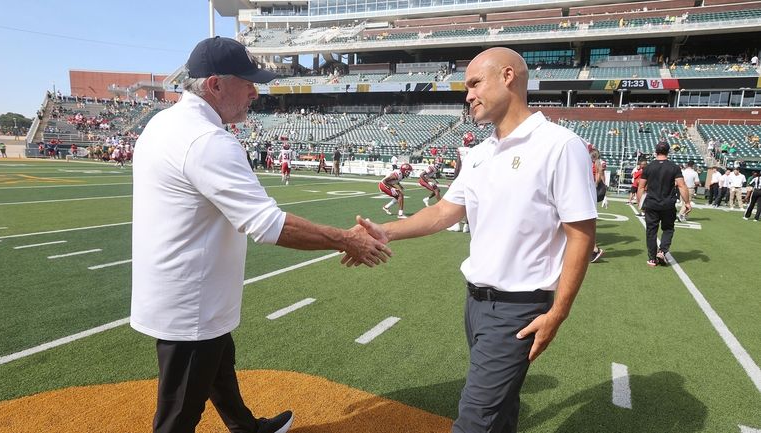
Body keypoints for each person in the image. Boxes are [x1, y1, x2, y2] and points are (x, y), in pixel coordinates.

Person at [131, 36, 390, 433]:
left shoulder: (166, 122)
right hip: (191, 302)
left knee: (220, 368)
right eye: (247, 81)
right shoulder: (207, 140)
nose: (256, 90)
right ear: (215, 84)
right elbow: (269, 225)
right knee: (177, 416)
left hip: (184, 289)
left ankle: (246, 428)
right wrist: (346, 238)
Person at [348, 47, 597, 433]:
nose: (468, 96)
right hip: (475, 303)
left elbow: (580, 234)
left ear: (509, 77)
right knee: (500, 413)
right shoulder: (480, 153)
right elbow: (445, 211)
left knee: (474, 420)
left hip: (518, 308)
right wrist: (385, 230)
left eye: (475, 83)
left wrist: (559, 312)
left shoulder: (559, 145)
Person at [636, 142, 691, 267]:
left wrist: (640, 204)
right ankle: (662, 251)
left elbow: (641, 187)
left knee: (651, 231)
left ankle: (652, 259)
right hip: (668, 204)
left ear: (656, 151)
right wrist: (687, 202)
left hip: (651, 203)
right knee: (668, 228)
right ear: (668, 152)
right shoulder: (674, 167)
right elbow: (682, 185)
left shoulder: (649, 167)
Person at [589, 148, 606, 262]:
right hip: (591, 193)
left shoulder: (596, 164)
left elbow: (599, 176)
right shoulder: (596, 163)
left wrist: (593, 186)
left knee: (588, 221)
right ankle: (593, 249)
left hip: (590, 193)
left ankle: (594, 249)